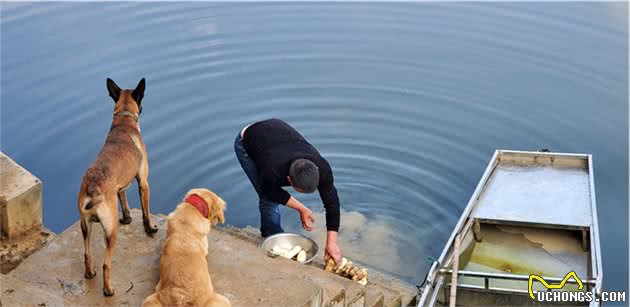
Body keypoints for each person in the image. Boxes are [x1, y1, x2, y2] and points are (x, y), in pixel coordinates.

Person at [234, 118, 342, 263]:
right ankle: (271, 238)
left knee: (271, 196)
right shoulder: (272, 170)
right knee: (268, 200)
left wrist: (331, 242)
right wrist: (301, 208)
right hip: (247, 140)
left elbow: (332, 203)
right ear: (289, 180)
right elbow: (270, 192)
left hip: (278, 131)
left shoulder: (322, 167)